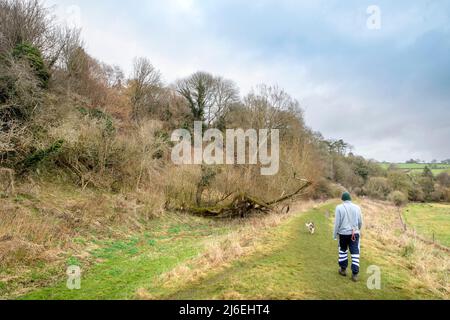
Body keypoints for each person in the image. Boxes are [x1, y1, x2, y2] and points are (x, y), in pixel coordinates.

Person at [333, 192, 363, 282]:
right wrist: (357, 230)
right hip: (355, 233)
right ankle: (355, 274)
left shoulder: (339, 207)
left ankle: (343, 270)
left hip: (343, 234)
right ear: (350, 199)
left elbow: (337, 223)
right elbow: (360, 222)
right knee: (355, 253)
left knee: (343, 250)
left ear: (342, 199)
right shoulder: (357, 207)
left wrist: (335, 235)